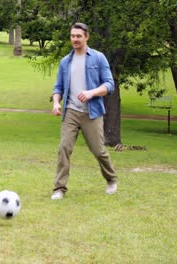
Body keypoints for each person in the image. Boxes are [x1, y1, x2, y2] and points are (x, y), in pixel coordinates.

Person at [50, 22, 118, 200]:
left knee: (98, 151)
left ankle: (111, 179)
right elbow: (58, 88)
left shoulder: (98, 58)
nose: (75, 39)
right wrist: (56, 103)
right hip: (71, 111)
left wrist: (91, 93)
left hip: (92, 112)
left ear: (86, 37)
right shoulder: (66, 61)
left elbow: (109, 84)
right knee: (64, 148)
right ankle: (59, 188)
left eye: (78, 36)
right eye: (72, 36)